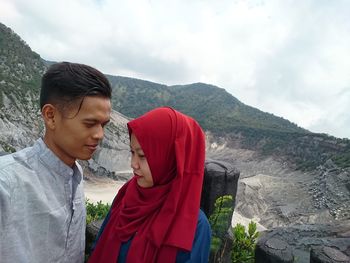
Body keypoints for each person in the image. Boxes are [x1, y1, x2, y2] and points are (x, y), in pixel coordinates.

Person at [0, 62, 112, 263]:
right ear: (50, 116)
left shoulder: (74, 174)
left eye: (103, 125)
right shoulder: (7, 184)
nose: (99, 135)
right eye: (89, 123)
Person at [88, 107, 211, 263]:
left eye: (143, 156)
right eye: (132, 152)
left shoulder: (195, 227)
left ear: (171, 159)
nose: (133, 164)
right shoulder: (127, 196)